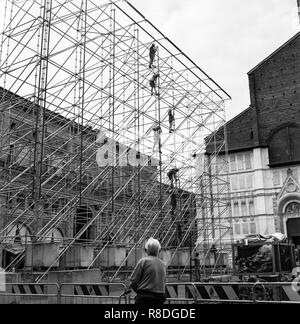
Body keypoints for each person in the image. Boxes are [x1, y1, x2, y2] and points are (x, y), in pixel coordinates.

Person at [129, 237, 167, 305]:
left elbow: (133, 282)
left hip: (145, 297)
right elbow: (163, 282)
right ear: (159, 250)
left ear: (147, 250)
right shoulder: (163, 264)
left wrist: (139, 293)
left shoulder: (143, 262)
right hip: (160, 297)